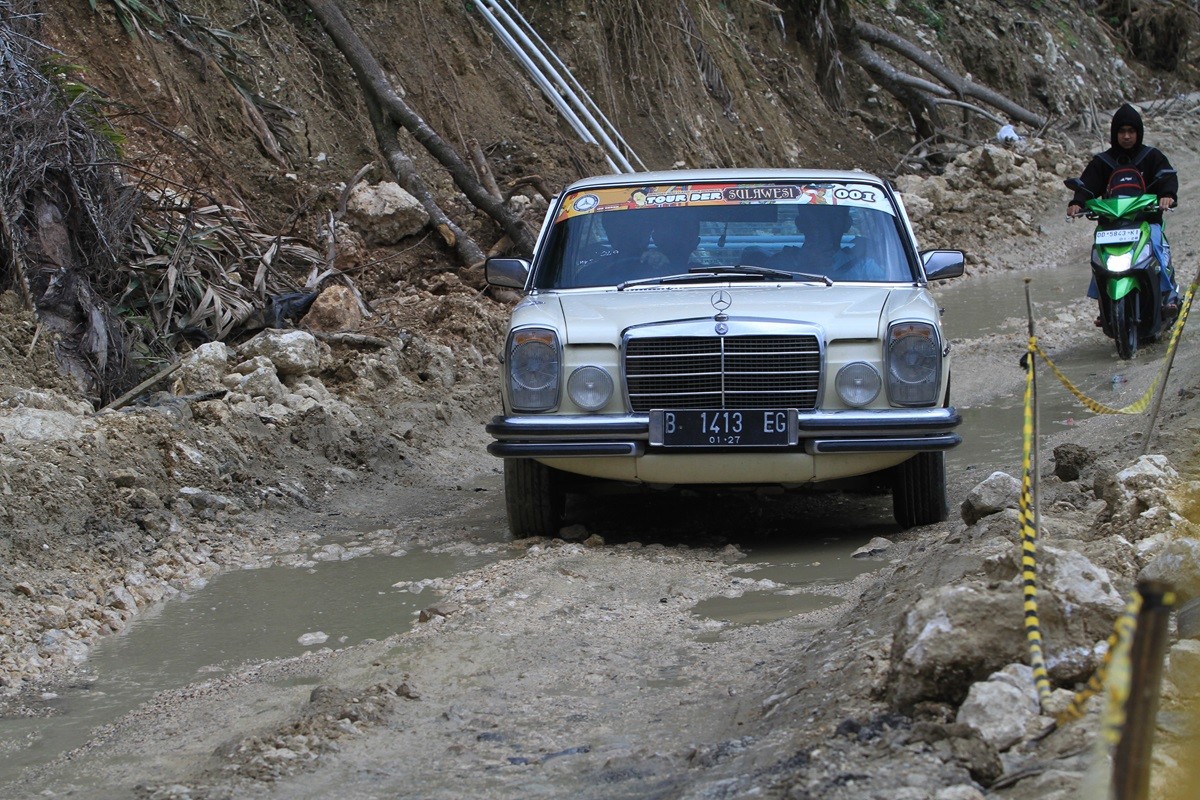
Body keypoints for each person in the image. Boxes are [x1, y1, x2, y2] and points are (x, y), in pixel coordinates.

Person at [1067, 103, 1180, 316]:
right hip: (1112, 227)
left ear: (1138, 133)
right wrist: (1078, 202)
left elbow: (1167, 176)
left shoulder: (1152, 157)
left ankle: (1168, 295)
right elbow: (1087, 185)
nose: (1126, 136)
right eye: (1121, 131)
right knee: (1097, 256)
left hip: (1146, 223)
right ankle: (1103, 301)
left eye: (1131, 131)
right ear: (1114, 133)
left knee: (1158, 245)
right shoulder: (1103, 162)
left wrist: (1167, 196)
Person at [767, 205, 883, 280]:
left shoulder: (865, 267)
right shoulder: (777, 266)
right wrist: (805, 268)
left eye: (833, 219)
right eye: (815, 219)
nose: (824, 226)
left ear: (847, 223)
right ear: (800, 223)